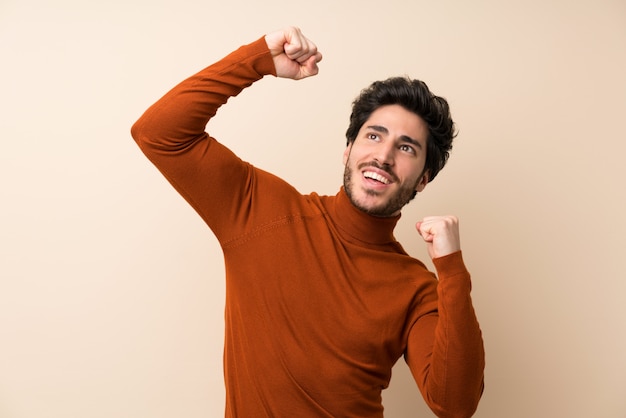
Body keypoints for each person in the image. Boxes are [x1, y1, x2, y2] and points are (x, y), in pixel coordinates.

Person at [131, 26, 485, 418]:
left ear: (422, 178)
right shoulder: (259, 209)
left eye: (405, 148)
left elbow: (454, 405)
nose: (383, 156)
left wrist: (451, 271)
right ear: (348, 149)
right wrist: (258, 61)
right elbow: (158, 134)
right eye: (373, 136)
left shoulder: (416, 288)